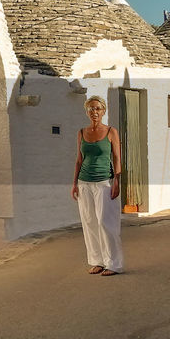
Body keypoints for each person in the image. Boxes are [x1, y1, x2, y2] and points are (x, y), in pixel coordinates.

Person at [70, 95, 123, 275]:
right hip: (84, 183)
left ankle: (113, 264)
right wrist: (74, 183)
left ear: (103, 111)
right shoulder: (81, 132)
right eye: (91, 109)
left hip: (104, 182)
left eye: (98, 108)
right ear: (87, 111)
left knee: (105, 222)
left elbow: (116, 158)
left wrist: (117, 181)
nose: (95, 112)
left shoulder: (111, 132)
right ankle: (97, 261)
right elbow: (79, 160)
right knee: (89, 222)